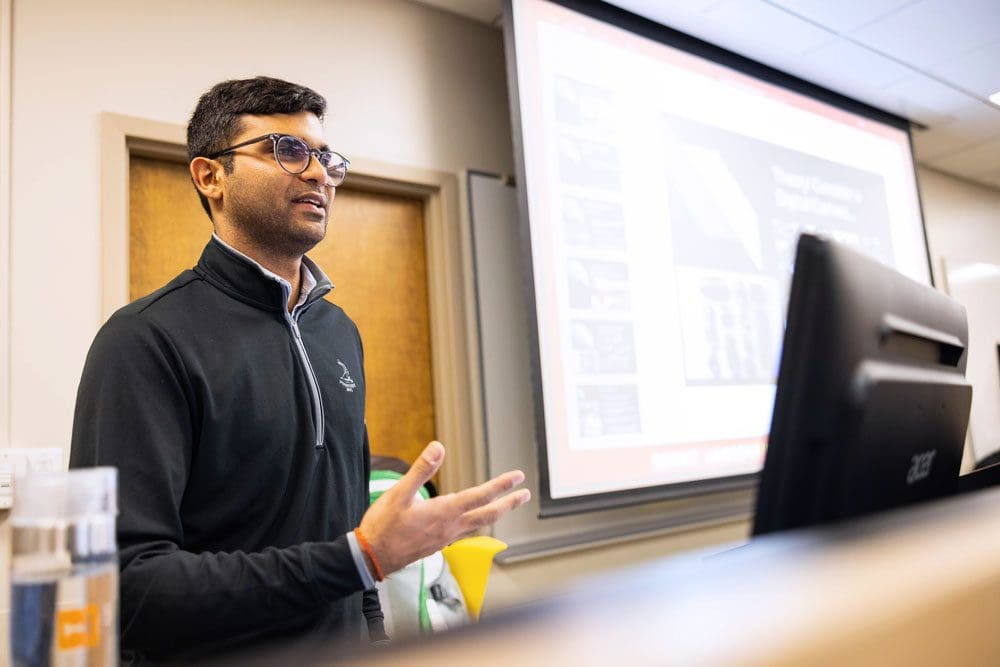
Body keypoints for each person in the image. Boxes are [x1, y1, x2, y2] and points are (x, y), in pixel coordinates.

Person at [69, 76, 530, 664]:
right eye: (285, 150)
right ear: (210, 176)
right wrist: (359, 556)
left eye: (326, 158)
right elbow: (125, 589)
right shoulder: (143, 341)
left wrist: (375, 636)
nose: (318, 174)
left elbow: (349, 522)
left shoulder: (338, 332)